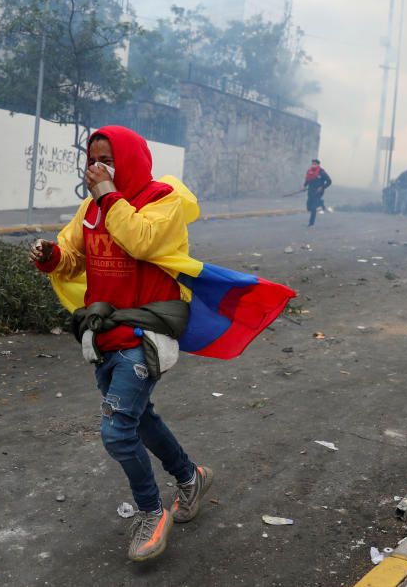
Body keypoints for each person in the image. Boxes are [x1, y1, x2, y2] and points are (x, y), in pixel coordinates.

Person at [31, 126, 293, 563]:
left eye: (107, 160)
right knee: (139, 418)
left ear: (130, 160)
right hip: (104, 332)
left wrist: (110, 195)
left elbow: (142, 241)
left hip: (147, 333)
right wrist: (51, 257)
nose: (97, 169)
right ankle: (190, 477)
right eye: (92, 160)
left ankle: (151, 513)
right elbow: (73, 254)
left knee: (116, 432)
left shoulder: (163, 201)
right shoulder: (91, 209)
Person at [303, 159, 332, 226]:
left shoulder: (322, 172)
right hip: (310, 191)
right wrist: (304, 186)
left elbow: (329, 181)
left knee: (313, 208)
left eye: (315, 164)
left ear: (318, 164)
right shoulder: (309, 171)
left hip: (318, 192)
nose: (313, 165)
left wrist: (322, 187)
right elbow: (308, 179)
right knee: (308, 207)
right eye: (312, 163)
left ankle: (311, 223)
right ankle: (321, 202)